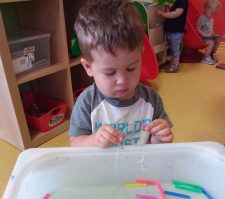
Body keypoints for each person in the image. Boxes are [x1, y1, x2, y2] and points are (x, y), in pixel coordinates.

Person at [69, 0, 173, 148]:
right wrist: (94, 140)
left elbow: (155, 146)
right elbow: (75, 144)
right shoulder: (87, 102)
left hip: (139, 168)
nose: (122, 80)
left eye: (131, 68)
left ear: (140, 57)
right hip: (102, 169)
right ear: (88, 67)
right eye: (110, 72)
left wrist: (160, 138)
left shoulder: (151, 99)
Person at [157, 0, 188, 73]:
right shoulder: (179, 1)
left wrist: (162, 14)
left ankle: (175, 65)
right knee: (173, 48)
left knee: (175, 49)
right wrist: (170, 6)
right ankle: (172, 63)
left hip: (175, 31)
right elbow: (176, 8)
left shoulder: (182, 1)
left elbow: (176, 13)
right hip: (173, 30)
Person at [197, 0, 221, 65]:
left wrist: (213, 33)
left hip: (209, 37)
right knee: (212, 42)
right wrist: (205, 34)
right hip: (203, 38)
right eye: (211, 13)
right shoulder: (202, 18)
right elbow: (198, 29)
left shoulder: (211, 18)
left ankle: (212, 54)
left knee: (218, 40)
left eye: (214, 14)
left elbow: (210, 28)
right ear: (205, 9)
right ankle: (205, 57)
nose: (212, 15)